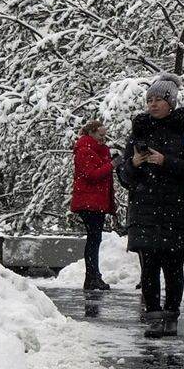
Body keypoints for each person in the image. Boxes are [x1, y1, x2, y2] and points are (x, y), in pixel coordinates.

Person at [125, 74, 184, 338]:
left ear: (171, 102)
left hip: (176, 209)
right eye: (150, 100)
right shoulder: (139, 131)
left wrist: (165, 161)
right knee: (148, 266)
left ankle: (171, 314)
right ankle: (153, 316)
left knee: (173, 267)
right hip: (145, 209)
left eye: (159, 99)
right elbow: (124, 176)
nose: (153, 104)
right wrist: (134, 164)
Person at [70, 119, 116, 291]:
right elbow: (92, 174)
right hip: (89, 202)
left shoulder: (97, 150)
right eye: (101, 134)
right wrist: (111, 165)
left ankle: (93, 275)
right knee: (93, 239)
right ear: (91, 133)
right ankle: (92, 276)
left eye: (105, 135)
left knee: (94, 239)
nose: (104, 138)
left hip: (95, 201)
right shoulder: (84, 151)